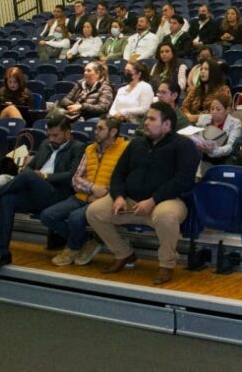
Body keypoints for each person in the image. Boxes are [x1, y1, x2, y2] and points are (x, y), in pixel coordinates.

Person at [85, 102, 200, 284]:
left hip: (166, 201)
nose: (145, 122)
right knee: (94, 211)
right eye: (146, 118)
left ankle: (167, 264)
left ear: (167, 125)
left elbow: (183, 181)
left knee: (166, 216)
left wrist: (153, 200)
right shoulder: (136, 143)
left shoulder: (184, 146)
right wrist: (118, 196)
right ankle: (124, 253)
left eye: (152, 119)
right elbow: (118, 174)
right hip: (130, 202)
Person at [0, 115, 86, 272]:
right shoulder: (45, 144)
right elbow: (31, 166)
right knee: (7, 200)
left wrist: (45, 176)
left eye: (56, 135)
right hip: (35, 191)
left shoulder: (78, 147)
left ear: (68, 133)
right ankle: (2, 253)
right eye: (49, 135)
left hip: (58, 194)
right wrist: (31, 173)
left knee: (28, 176)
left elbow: (72, 175)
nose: (51, 139)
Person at [40, 116, 129, 266]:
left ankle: (72, 248)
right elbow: (75, 179)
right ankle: (86, 241)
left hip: (105, 200)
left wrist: (104, 194)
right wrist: (92, 188)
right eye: (96, 128)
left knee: (75, 218)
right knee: (47, 216)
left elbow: (123, 180)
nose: (96, 131)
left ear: (113, 132)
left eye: (100, 128)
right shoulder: (90, 149)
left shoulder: (125, 150)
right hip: (82, 196)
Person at [194, 94, 242, 168]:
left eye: (218, 109)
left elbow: (231, 146)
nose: (214, 112)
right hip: (201, 157)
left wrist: (213, 151)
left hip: (223, 160)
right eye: (212, 109)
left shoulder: (235, 123)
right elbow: (196, 135)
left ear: (227, 110)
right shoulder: (203, 118)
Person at [181, 58, 231, 124]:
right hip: (192, 125)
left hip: (213, 126)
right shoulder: (194, 90)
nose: (202, 71)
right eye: (201, 69)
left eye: (206, 69)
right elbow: (184, 108)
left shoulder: (223, 90)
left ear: (214, 72)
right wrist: (188, 115)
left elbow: (220, 113)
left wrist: (195, 118)